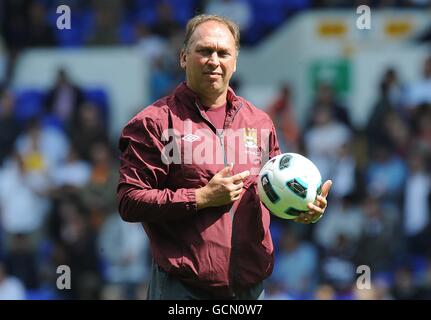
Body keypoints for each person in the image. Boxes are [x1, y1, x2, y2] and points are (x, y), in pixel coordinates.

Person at [117, 14, 332, 300]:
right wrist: (201, 197)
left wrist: (300, 207)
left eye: (223, 53)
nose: (214, 60)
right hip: (183, 290)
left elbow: (272, 190)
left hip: (250, 289)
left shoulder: (259, 122)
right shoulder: (154, 123)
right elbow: (129, 201)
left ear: (235, 61)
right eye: (204, 51)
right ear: (183, 57)